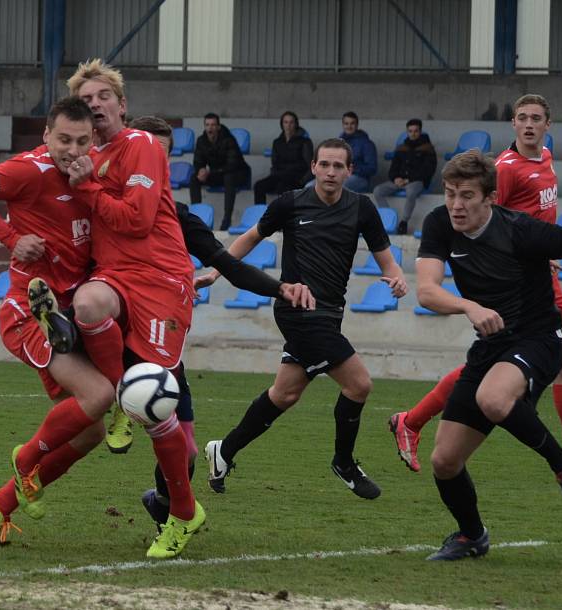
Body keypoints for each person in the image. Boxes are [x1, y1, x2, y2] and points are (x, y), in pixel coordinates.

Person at [417, 149, 562, 561]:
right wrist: (469, 306)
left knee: (494, 398)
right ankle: (472, 536)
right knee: (445, 460)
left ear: (490, 198)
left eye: (467, 195)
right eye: (450, 193)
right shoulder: (439, 223)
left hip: (540, 338)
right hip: (491, 345)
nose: (456, 204)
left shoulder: (522, 230)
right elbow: (427, 291)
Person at [388, 95, 562, 478]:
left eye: (536, 118)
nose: (529, 124)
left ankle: (413, 420)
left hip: (536, 267)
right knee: (551, 361)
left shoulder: (545, 159)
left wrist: (543, 248)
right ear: (513, 125)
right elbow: (497, 221)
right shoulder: (506, 169)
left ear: (549, 125)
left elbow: (532, 219)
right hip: (518, 276)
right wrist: (527, 252)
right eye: (522, 118)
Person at [119, 115, 315, 527]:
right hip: (114, 336)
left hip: (165, 348)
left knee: (185, 452)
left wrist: (279, 288)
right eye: (146, 151)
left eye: (164, 154)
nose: (155, 161)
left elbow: (226, 261)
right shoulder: (102, 200)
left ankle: (162, 507)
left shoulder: (178, 214)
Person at [201, 138, 407, 499]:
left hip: (330, 315)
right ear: (313, 167)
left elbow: (384, 255)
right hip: (296, 312)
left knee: (285, 393)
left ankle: (224, 451)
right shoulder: (291, 203)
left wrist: (397, 276)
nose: (330, 172)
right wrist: (217, 272)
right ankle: (343, 463)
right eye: (324, 164)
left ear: (349, 171)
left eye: (338, 166)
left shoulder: (361, 208)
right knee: (359, 384)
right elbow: (251, 237)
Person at [0, 97, 114, 548]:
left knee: (92, 431)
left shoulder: (95, 173)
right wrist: (11, 237)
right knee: (100, 394)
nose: (72, 148)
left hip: (69, 313)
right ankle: (24, 465)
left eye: (82, 140)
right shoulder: (28, 170)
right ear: (47, 136)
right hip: (31, 313)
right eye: (63, 139)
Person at [64, 59, 203, 559]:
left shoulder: (140, 145)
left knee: (161, 412)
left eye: (104, 96)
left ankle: (183, 514)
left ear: (122, 106)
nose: (95, 104)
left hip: (162, 279)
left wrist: (87, 187)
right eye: (87, 99)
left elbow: (138, 219)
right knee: (88, 302)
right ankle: (123, 392)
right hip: (115, 277)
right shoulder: (79, 157)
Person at [372, 119, 437, 234]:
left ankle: (403, 222)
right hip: (399, 181)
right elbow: (393, 169)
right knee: (378, 191)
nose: (413, 134)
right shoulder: (402, 148)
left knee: (411, 192)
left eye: (416, 131)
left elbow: (428, 170)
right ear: (407, 132)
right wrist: (395, 178)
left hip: (416, 181)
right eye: (410, 131)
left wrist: (409, 179)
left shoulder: (428, 148)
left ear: (420, 131)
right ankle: (389, 219)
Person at [190, 112, 251, 230]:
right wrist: (200, 170)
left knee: (229, 177)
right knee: (194, 178)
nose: (210, 128)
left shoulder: (229, 139)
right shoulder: (201, 140)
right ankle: (195, 218)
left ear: (218, 127)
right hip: (218, 174)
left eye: (213, 125)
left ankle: (227, 219)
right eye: (207, 125)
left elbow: (232, 165)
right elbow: (197, 161)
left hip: (238, 174)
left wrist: (209, 172)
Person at [253, 111, 313, 205]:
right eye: (285, 122)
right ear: (282, 124)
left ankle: (284, 218)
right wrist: (275, 174)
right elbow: (274, 163)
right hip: (279, 175)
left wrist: (302, 181)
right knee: (259, 186)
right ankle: (263, 216)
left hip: (296, 177)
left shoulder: (305, 142)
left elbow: (310, 165)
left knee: (284, 188)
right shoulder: (277, 142)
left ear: (296, 124)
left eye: (291, 122)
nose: (288, 125)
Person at [339, 111, 377, 193]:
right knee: (310, 186)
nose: (349, 126)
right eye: (346, 123)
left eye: (352, 123)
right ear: (343, 125)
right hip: (339, 175)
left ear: (357, 125)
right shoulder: (339, 142)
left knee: (335, 186)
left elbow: (372, 168)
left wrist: (354, 169)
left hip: (360, 178)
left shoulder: (367, 143)